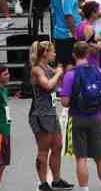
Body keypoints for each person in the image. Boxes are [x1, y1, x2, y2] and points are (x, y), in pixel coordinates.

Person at [59, 41, 101, 191]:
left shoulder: (70, 75)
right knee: (100, 157)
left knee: (81, 157)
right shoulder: (100, 72)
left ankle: (84, 188)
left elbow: (64, 102)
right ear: (88, 54)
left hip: (77, 117)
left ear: (73, 55)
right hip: (96, 117)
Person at [29, 41, 71, 191]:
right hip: (40, 114)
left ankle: (57, 179)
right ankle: (43, 182)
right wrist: (58, 73)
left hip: (51, 112)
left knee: (58, 146)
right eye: (53, 51)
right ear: (45, 53)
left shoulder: (48, 68)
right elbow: (47, 85)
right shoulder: (37, 69)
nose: (55, 54)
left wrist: (63, 73)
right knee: (43, 149)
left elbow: (60, 83)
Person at [51, 0, 82, 67]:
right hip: (68, 35)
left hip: (60, 34)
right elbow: (68, 15)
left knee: (62, 65)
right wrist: (75, 34)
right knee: (69, 66)